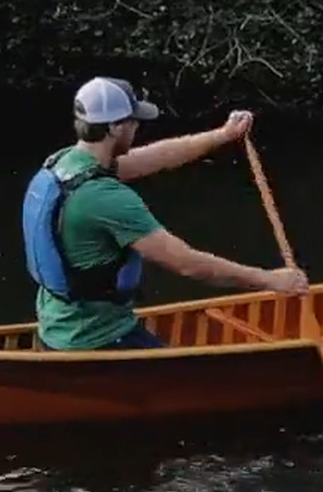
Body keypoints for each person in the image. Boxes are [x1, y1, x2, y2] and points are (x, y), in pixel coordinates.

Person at [22, 76, 308, 351]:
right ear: (113, 128)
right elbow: (187, 264)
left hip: (56, 330)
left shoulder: (64, 165)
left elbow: (155, 157)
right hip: (97, 339)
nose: (137, 127)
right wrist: (271, 281)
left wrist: (223, 135)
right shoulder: (107, 200)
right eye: (133, 120)